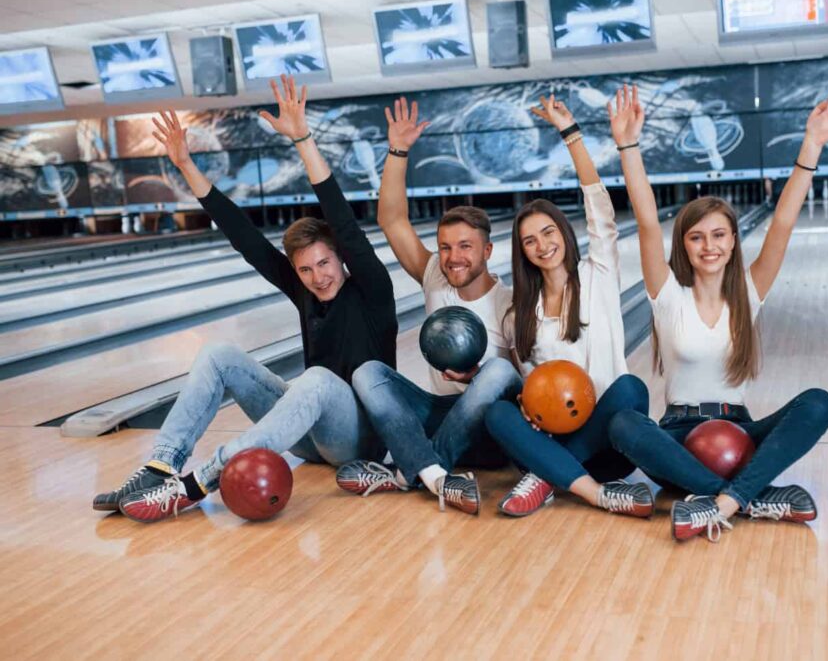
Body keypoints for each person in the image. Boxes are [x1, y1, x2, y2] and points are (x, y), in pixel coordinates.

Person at [93, 75, 397, 523]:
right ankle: (161, 467)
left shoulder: (371, 288)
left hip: (358, 440)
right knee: (219, 354)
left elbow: (342, 219)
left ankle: (200, 482)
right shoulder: (303, 289)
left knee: (315, 380)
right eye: (306, 270)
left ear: (342, 258)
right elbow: (245, 238)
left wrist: (302, 138)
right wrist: (186, 166)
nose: (318, 277)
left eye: (325, 264)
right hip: (307, 436)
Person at [605, 84, 828, 542]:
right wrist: (627, 145)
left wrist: (811, 145)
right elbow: (644, 220)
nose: (709, 246)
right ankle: (751, 498)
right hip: (678, 440)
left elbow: (782, 222)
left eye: (719, 235)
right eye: (697, 237)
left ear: (734, 241)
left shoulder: (749, 290)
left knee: (820, 402)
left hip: (739, 432)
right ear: (683, 244)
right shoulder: (667, 294)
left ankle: (720, 502)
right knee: (623, 423)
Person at [336, 97, 521, 515]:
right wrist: (398, 151)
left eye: (465, 247)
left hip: (487, 434)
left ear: (488, 250)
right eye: (445, 247)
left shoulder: (511, 305)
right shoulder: (435, 274)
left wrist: (477, 376)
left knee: (500, 371)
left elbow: (522, 387)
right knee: (368, 372)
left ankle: (410, 471)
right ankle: (435, 473)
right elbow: (393, 221)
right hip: (434, 416)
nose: (453, 257)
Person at [484, 95, 652, 520]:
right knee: (500, 412)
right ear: (522, 252)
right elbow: (528, 384)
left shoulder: (598, 274)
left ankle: (545, 482)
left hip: (607, 445)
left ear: (564, 231)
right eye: (530, 240)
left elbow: (601, 211)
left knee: (632, 390)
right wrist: (527, 406)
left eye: (548, 232)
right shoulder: (517, 313)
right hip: (549, 443)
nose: (543, 245)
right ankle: (594, 494)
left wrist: (571, 134)